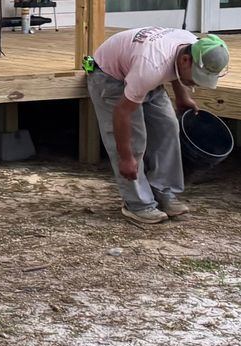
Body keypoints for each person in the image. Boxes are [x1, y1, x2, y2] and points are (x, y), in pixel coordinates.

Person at [84, 28, 230, 225]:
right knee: (134, 142)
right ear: (187, 60)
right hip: (109, 76)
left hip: (141, 72)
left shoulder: (190, 43)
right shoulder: (150, 66)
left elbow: (175, 69)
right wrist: (126, 158)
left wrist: (182, 96)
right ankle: (137, 204)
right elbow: (122, 113)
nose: (195, 81)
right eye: (196, 75)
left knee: (169, 126)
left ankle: (163, 192)